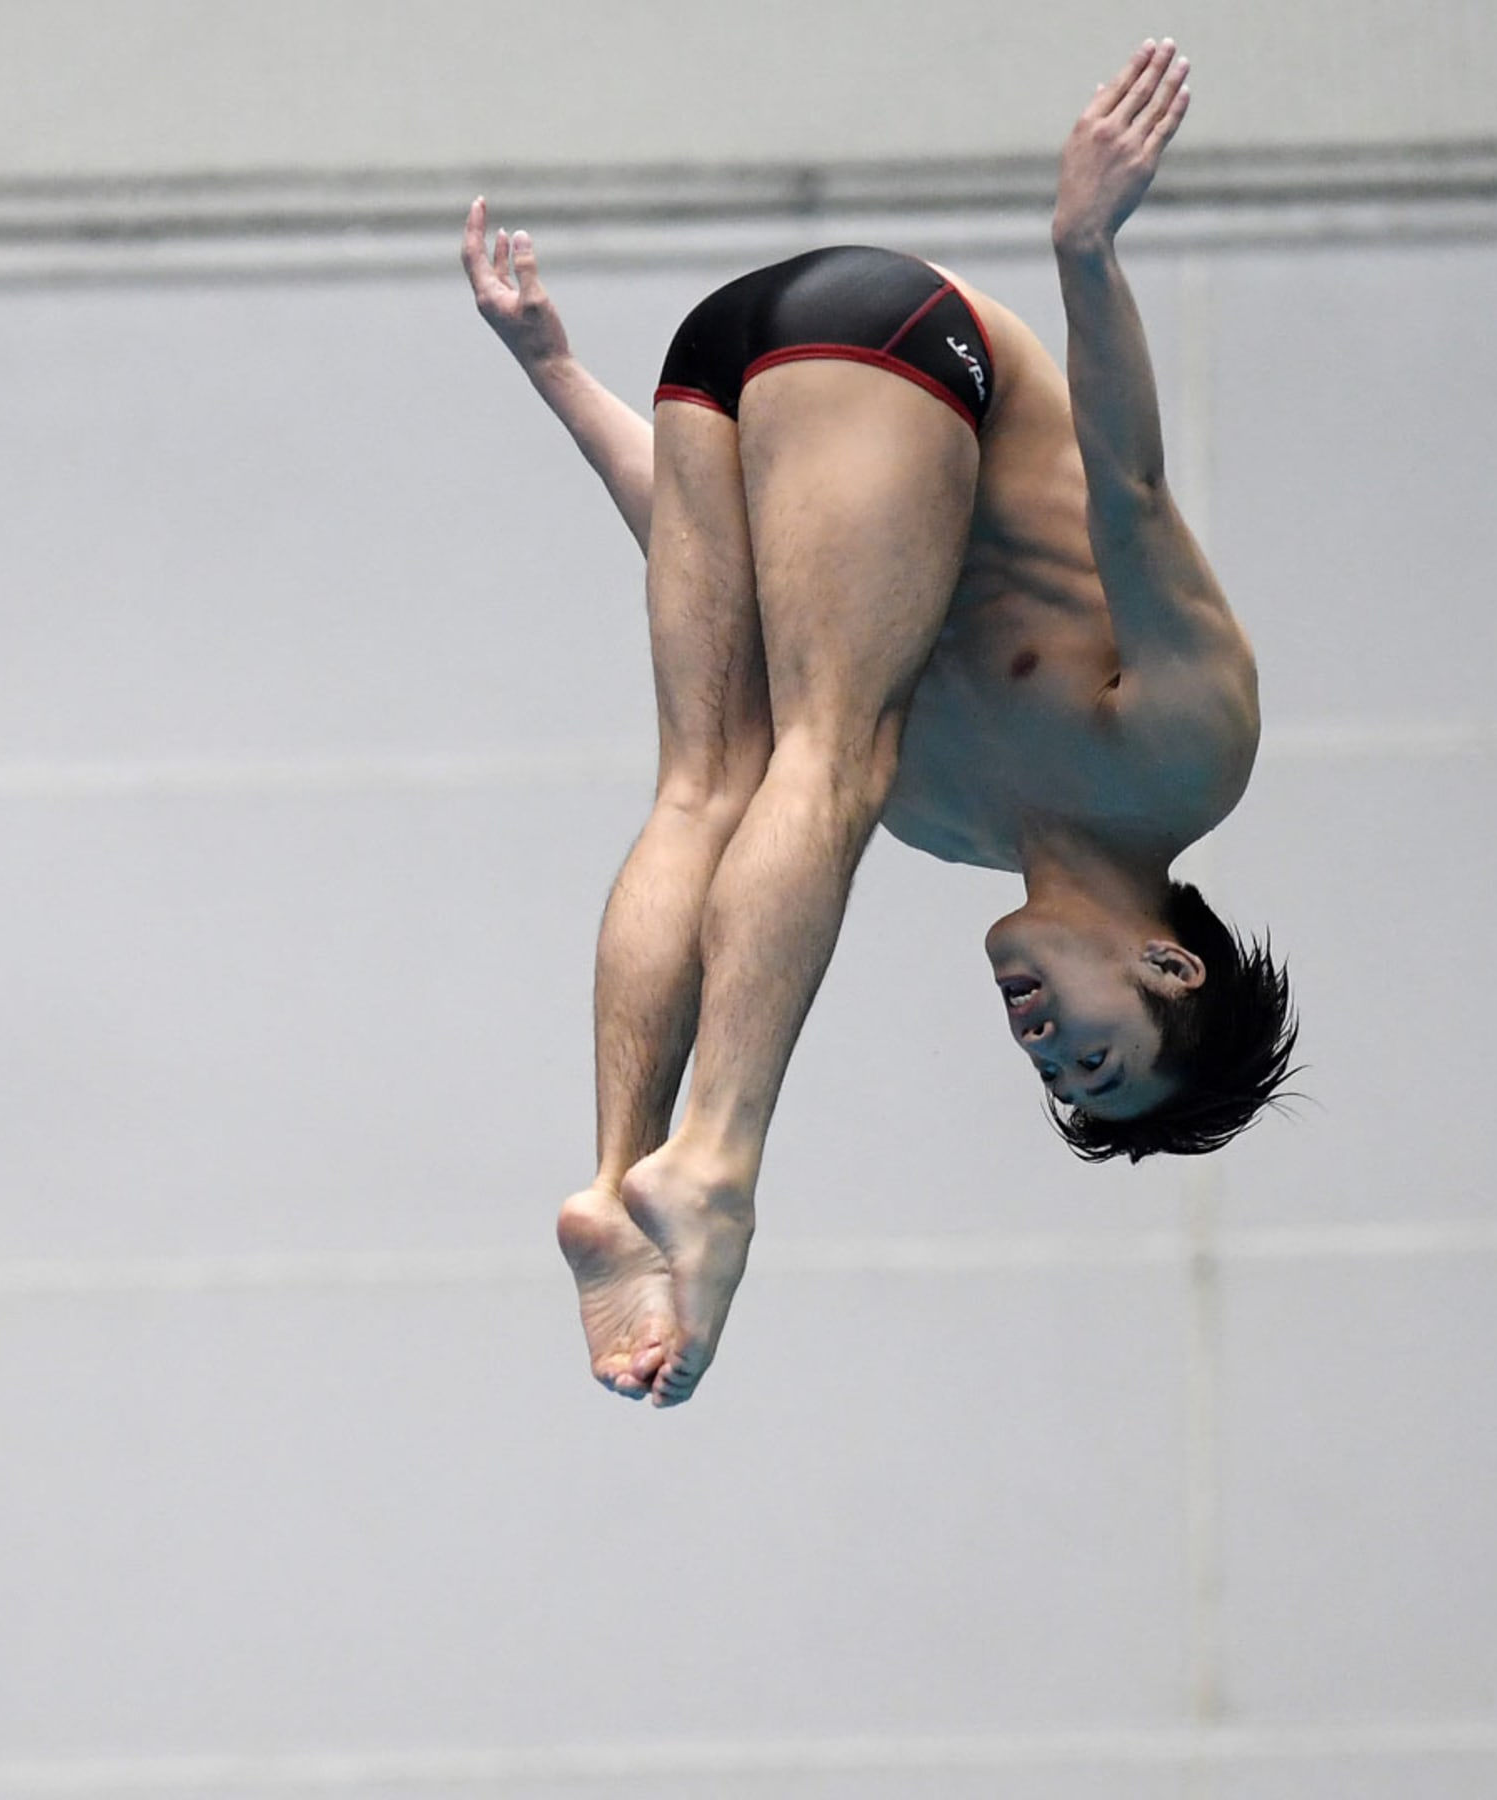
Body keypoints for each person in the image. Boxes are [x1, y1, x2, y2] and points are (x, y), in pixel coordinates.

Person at [461, 40, 1298, 1411]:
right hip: (903, 335)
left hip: (718, 370)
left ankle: (617, 1184)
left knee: (708, 786)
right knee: (818, 761)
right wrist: (1086, 247)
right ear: (1171, 967)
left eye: (1054, 1072)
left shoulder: (946, 818)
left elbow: (717, 553)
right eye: (1095, 1049)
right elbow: (1130, 497)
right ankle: (718, 1162)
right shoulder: (1189, 757)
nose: (1041, 1043)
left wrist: (556, 372)